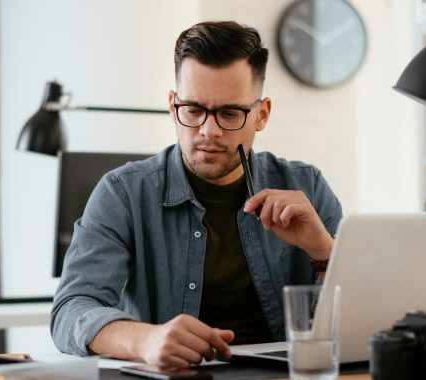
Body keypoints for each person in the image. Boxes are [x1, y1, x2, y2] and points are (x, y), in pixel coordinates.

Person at [50, 20, 343, 368]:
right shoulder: (123, 194)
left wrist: (323, 250)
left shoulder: (306, 186)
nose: (209, 131)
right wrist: (145, 339)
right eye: (193, 110)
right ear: (173, 107)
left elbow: (363, 318)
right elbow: (71, 311)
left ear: (261, 115)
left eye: (230, 113)